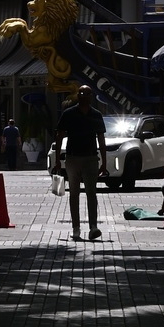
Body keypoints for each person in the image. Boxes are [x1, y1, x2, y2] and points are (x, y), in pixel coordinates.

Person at [55, 84, 108, 241]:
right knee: (74, 194)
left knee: (91, 193)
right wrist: (57, 159)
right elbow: (60, 136)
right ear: (77, 96)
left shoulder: (96, 115)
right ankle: (76, 228)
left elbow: (101, 138)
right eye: (81, 92)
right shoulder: (69, 114)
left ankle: (93, 227)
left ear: (91, 96)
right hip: (72, 158)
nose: (83, 95)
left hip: (91, 158)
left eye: (87, 93)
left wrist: (104, 162)